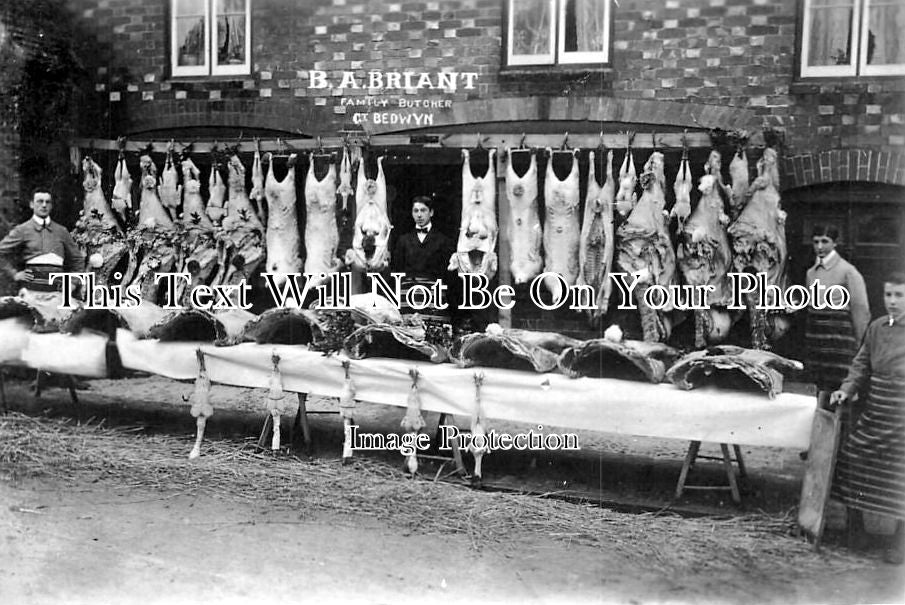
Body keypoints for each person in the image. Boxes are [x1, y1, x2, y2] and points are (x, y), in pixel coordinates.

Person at [829, 271, 905, 564]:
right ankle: (855, 529)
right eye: (889, 295)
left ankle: (900, 540)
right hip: (876, 412)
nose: (893, 302)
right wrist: (846, 390)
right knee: (851, 458)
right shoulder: (876, 327)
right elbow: (860, 365)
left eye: (899, 295)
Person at [805, 225, 871, 410]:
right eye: (816, 241)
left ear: (835, 243)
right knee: (820, 393)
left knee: (840, 394)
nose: (820, 246)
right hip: (817, 343)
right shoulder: (811, 273)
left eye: (825, 241)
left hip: (840, 344)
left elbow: (861, 310)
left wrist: (859, 344)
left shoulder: (848, 271)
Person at [0, 186, 86, 300]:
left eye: (48, 202)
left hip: (57, 294)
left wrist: (73, 283)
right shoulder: (22, 230)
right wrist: (14, 274)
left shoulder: (61, 231)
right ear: (31, 204)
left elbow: (77, 260)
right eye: (40, 201)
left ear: (51, 206)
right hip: (31, 293)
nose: (44, 205)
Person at [391, 195, 454, 316]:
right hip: (408, 294)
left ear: (431, 212)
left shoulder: (443, 240)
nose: (419, 215)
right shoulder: (403, 240)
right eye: (416, 211)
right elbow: (397, 269)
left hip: (433, 294)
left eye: (423, 210)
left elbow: (447, 273)